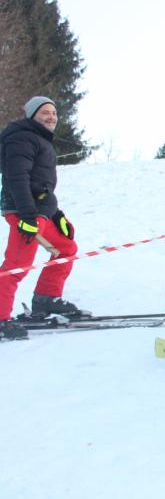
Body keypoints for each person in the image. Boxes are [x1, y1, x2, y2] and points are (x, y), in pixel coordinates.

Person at [1, 96, 82, 340]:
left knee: (66, 248)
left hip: (39, 211)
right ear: (32, 114)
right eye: (45, 112)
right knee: (17, 265)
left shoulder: (40, 139)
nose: (51, 117)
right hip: (24, 212)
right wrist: (27, 216)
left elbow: (41, 186)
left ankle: (47, 298)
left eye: (54, 113)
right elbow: (17, 178)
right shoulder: (21, 137)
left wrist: (55, 215)